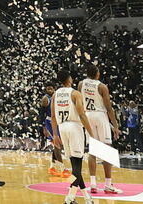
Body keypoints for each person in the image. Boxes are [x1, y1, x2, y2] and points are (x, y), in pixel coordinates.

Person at [52, 69, 94, 204]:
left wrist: (55, 135)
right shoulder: (75, 93)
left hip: (62, 127)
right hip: (74, 127)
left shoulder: (55, 94)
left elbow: (53, 116)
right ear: (69, 79)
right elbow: (82, 115)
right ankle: (69, 198)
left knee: (75, 167)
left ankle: (87, 197)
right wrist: (91, 133)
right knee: (77, 166)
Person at [79, 63, 121, 194]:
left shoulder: (81, 84)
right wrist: (115, 125)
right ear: (97, 73)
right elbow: (108, 108)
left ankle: (92, 184)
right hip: (100, 115)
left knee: (93, 150)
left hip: (88, 115)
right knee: (106, 150)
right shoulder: (102, 86)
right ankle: (108, 184)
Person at [41, 84, 68, 175]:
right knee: (57, 145)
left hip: (57, 122)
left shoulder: (57, 96)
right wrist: (44, 127)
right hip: (49, 122)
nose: (49, 90)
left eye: (51, 88)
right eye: (47, 88)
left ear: (54, 89)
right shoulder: (46, 98)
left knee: (58, 144)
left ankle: (52, 167)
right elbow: (42, 113)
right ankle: (62, 168)